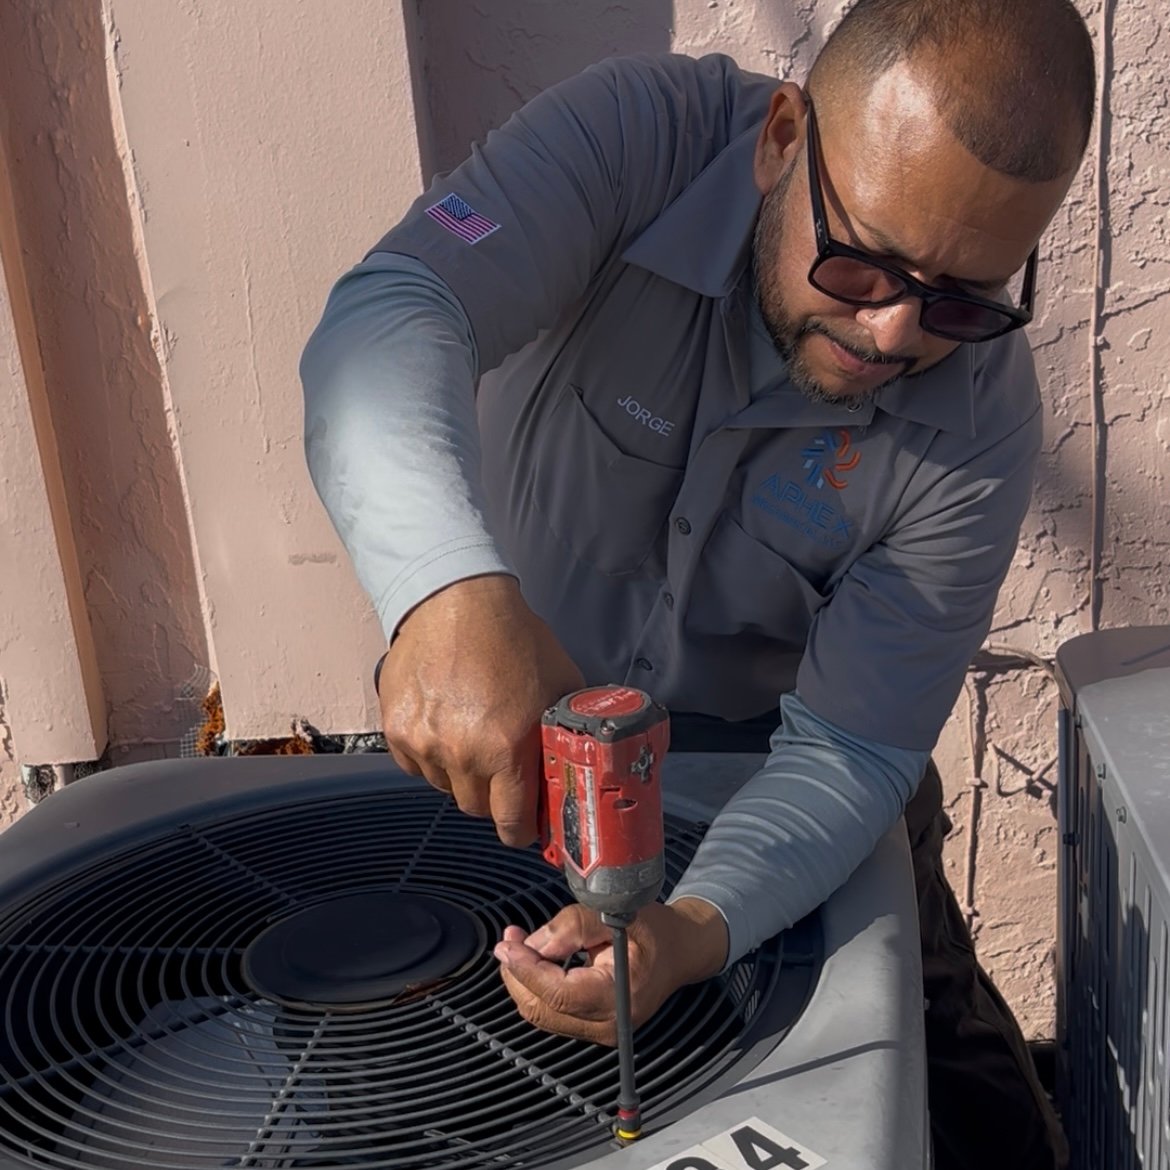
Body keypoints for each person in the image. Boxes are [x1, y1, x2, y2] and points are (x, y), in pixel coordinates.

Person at [300, 1, 1095, 1165]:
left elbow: (854, 753)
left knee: (982, 1128)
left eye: (964, 299)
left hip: (778, 782)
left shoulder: (979, 425)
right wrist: (448, 591)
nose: (893, 334)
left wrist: (690, 929)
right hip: (509, 772)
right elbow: (394, 312)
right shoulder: (632, 141)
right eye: (861, 261)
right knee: (403, 1102)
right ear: (782, 138)